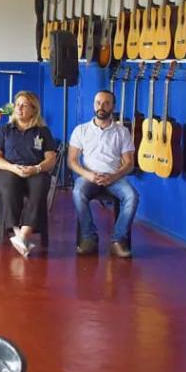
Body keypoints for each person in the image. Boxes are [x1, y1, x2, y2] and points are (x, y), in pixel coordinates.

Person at [68, 90, 139, 258]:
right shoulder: (81, 130)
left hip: (114, 177)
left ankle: (118, 240)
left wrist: (113, 176)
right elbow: (72, 161)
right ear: (94, 105)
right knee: (78, 192)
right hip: (89, 176)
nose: (101, 106)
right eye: (98, 102)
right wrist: (89, 175)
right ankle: (88, 237)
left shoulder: (122, 132)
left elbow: (129, 164)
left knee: (132, 196)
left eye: (106, 103)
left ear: (113, 106)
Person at [0, 91, 57, 258]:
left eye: (24, 105)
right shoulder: (5, 129)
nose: (19, 108)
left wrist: (37, 168)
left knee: (40, 187)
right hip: (10, 169)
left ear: (34, 110)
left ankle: (24, 234)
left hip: (35, 170)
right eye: (17, 105)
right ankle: (16, 231)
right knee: (9, 187)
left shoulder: (43, 131)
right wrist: (12, 168)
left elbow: (51, 159)